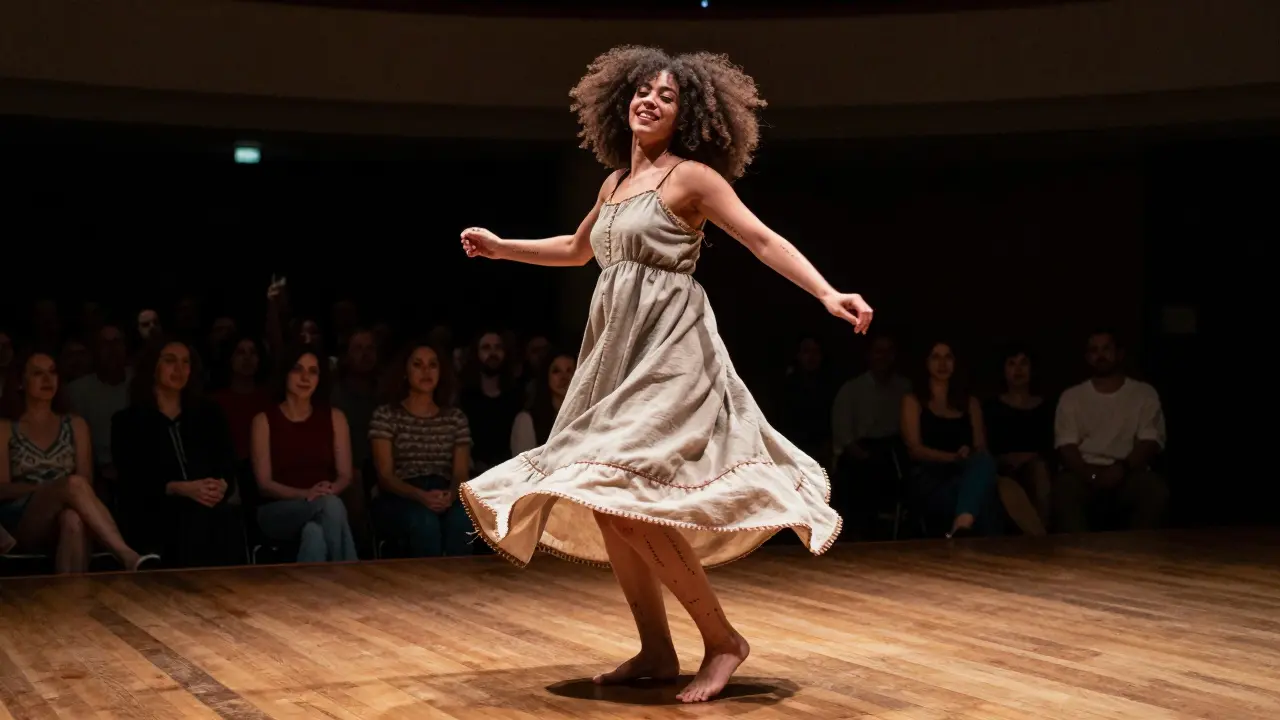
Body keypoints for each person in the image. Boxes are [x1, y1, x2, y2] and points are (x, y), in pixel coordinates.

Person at [457, 46, 869, 703]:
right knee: (610, 501)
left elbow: (762, 240)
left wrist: (825, 294)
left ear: (690, 114)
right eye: (642, 90)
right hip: (616, 354)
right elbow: (574, 249)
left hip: (672, 352)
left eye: (667, 96)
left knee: (633, 498)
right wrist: (502, 247)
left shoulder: (693, 180)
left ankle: (723, 641)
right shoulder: (614, 183)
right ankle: (655, 648)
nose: (649, 100)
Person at [0, 351, 157, 573]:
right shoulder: (5, 427)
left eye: (53, 372)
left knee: (73, 518)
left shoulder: (75, 424)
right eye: (38, 373)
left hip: (69, 507)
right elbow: (2, 488)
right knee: (72, 485)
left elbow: (86, 483)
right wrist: (52, 489)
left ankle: (72, 601)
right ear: (20, 383)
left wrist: (64, 490)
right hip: (22, 517)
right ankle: (127, 556)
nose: (48, 379)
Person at [111, 339, 246, 567]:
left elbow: (227, 465)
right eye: (170, 361)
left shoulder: (209, 414)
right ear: (153, 366)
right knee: (187, 519)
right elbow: (131, 482)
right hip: (153, 508)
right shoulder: (128, 421)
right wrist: (178, 488)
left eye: (185, 362)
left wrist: (221, 485)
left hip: (206, 506)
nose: (179, 369)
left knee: (224, 519)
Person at [249, 345, 358, 563]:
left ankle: (311, 594)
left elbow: (345, 475)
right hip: (278, 511)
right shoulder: (263, 421)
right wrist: (308, 494)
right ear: (285, 373)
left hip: (324, 506)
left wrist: (327, 491)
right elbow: (264, 484)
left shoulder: (335, 418)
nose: (305, 377)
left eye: (313, 371)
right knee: (330, 505)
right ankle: (351, 576)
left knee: (314, 534)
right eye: (298, 369)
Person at [368, 342, 472, 558]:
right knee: (424, 522)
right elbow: (385, 476)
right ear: (405, 372)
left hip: (443, 490)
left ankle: (461, 584)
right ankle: (427, 587)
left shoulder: (455, 419)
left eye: (432, 365)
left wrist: (450, 495)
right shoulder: (386, 415)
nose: (426, 371)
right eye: (418, 365)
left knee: (463, 519)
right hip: (401, 494)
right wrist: (420, 496)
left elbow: (460, 473)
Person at [899, 341, 1001, 538]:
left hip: (965, 474)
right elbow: (915, 449)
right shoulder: (913, 401)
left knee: (984, 469)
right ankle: (993, 549)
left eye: (948, 357)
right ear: (926, 363)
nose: (942, 363)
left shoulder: (969, 403)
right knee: (986, 493)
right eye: (936, 357)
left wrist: (967, 454)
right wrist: (953, 457)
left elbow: (980, 447)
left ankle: (962, 525)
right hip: (930, 479)